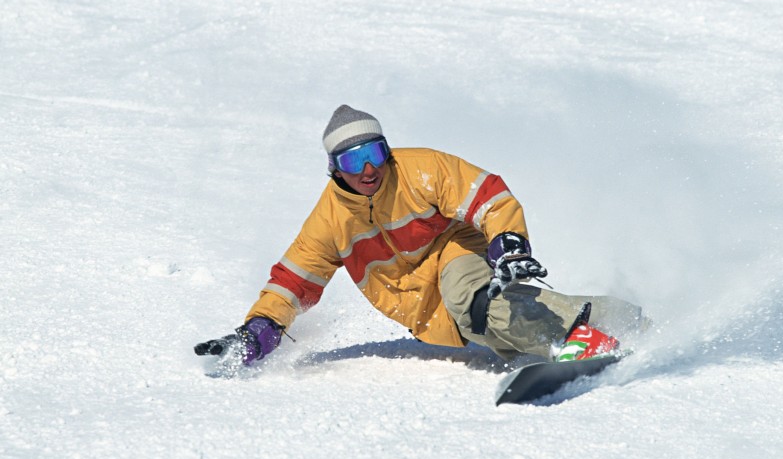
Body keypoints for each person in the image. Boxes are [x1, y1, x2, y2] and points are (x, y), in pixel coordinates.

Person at [195, 105, 644, 368]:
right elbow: (293, 281)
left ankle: (578, 342)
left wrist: (507, 242)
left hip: (459, 248)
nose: (368, 170)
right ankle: (622, 319)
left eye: (373, 154)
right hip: (426, 307)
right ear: (335, 169)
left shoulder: (421, 169)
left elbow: (489, 197)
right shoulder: (329, 221)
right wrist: (257, 333)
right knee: (487, 325)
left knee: (475, 305)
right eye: (353, 162)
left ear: (386, 151)